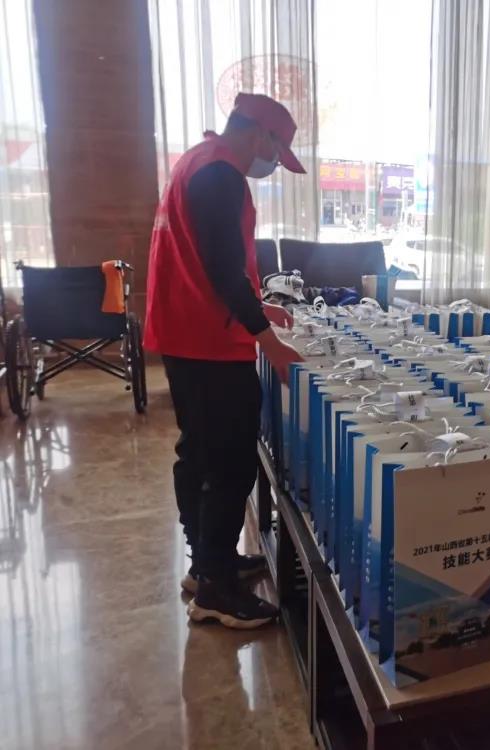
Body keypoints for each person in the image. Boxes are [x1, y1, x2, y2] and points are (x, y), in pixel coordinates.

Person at [144, 92, 305, 629]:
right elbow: (220, 266)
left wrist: (257, 305)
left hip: (185, 332)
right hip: (209, 341)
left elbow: (206, 259)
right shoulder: (221, 177)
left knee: (198, 453)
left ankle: (208, 564)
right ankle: (216, 590)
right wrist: (269, 341)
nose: (273, 165)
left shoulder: (197, 161)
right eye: (277, 153)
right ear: (260, 136)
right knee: (230, 462)